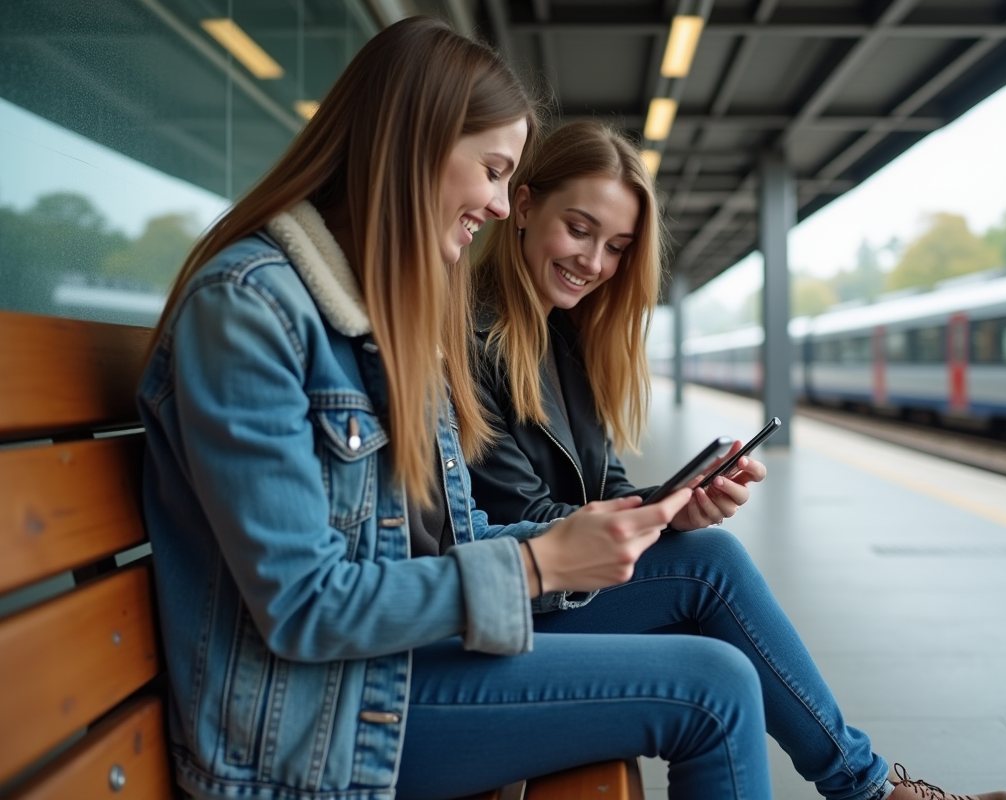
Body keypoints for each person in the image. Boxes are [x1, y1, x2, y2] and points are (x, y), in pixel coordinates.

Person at [135, 19, 794, 800]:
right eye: (490, 169)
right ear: (411, 143)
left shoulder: (390, 317)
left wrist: (576, 542)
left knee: (710, 617)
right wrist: (542, 562)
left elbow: (450, 538)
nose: (493, 201)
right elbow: (303, 606)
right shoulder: (249, 310)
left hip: (388, 668)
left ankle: (867, 783)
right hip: (312, 727)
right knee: (711, 688)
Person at [470, 119, 1006, 800]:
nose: (595, 262)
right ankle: (870, 790)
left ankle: (869, 788)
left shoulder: (567, 338)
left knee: (709, 565)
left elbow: (605, 487)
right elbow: (525, 518)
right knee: (712, 570)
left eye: (616, 246)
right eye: (579, 230)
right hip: (513, 595)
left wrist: (681, 503)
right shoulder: (471, 339)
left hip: (552, 590)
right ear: (523, 206)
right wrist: (665, 518)